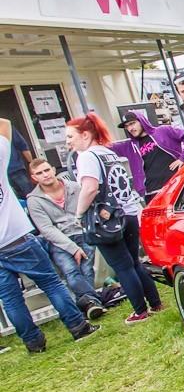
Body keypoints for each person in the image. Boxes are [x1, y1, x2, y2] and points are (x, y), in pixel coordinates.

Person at [0, 118, 99, 353]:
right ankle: (78, 326)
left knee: (10, 299)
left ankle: (33, 343)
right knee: (51, 283)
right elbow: (4, 123)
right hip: (18, 240)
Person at [66, 113, 163, 325]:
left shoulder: (87, 157)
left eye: (71, 136)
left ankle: (140, 311)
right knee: (134, 262)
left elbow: (90, 188)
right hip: (128, 212)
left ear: (85, 135)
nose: (68, 142)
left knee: (122, 266)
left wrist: (79, 214)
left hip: (108, 219)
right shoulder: (107, 152)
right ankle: (155, 303)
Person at [25, 159, 105, 320]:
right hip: (57, 240)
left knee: (86, 269)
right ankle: (92, 302)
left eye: (47, 170)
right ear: (34, 177)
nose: (45, 175)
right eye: (39, 173)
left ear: (53, 169)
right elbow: (47, 229)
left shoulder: (74, 187)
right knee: (71, 271)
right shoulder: (33, 200)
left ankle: (87, 304)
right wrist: (73, 248)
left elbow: (89, 209)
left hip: (82, 232)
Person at [110, 110, 184, 203]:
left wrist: (183, 158)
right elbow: (107, 147)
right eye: (127, 126)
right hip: (151, 193)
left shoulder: (163, 131)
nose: (130, 128)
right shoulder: (130, 146)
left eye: (132, 123)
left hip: (175, 187)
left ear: (141, 120)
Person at [3, 121, 33, 200]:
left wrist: (31, 163)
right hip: (3, 176)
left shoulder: (5, 126)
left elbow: (22, 145)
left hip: (16, 170)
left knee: (31, 196)